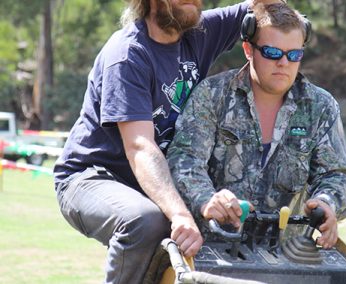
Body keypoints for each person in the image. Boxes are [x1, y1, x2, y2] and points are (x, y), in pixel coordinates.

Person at [53, 0, 283, 283]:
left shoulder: (201, 32)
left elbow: (266, 4)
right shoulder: (128, 55)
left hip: (152, 180)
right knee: (146, 221)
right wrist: (179, 214)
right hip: (91, 178)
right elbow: (140, 147)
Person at [167, 1, 346, 249]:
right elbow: (184, 160)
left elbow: (337, 175)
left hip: (290, 256)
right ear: (248, 49)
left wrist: (327, 203)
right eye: (273, 53)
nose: (283, 63)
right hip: (213, 248)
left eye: (294, 55)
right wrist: (206, 199)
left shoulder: (320, 106)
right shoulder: (212, 95)